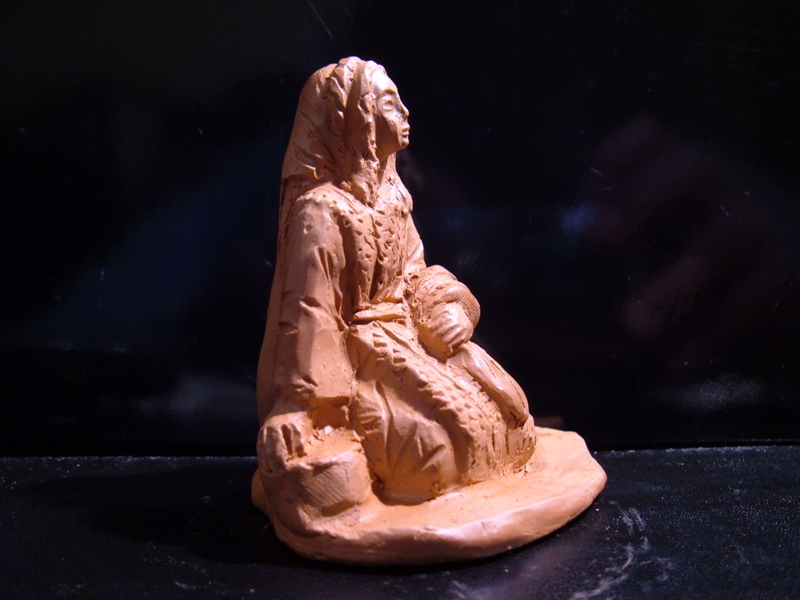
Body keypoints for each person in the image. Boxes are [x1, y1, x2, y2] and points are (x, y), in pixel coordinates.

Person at [254, 58, 535, 518]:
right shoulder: (320, 212)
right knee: (430, 460)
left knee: (512, 420)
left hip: (409, 334)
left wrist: (448, 309)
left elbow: (413, 272)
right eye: (389, 103)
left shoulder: (392, 198)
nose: (404, 112)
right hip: (356, 356)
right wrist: (299, 406)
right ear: (357, 122)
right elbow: (311, 311)